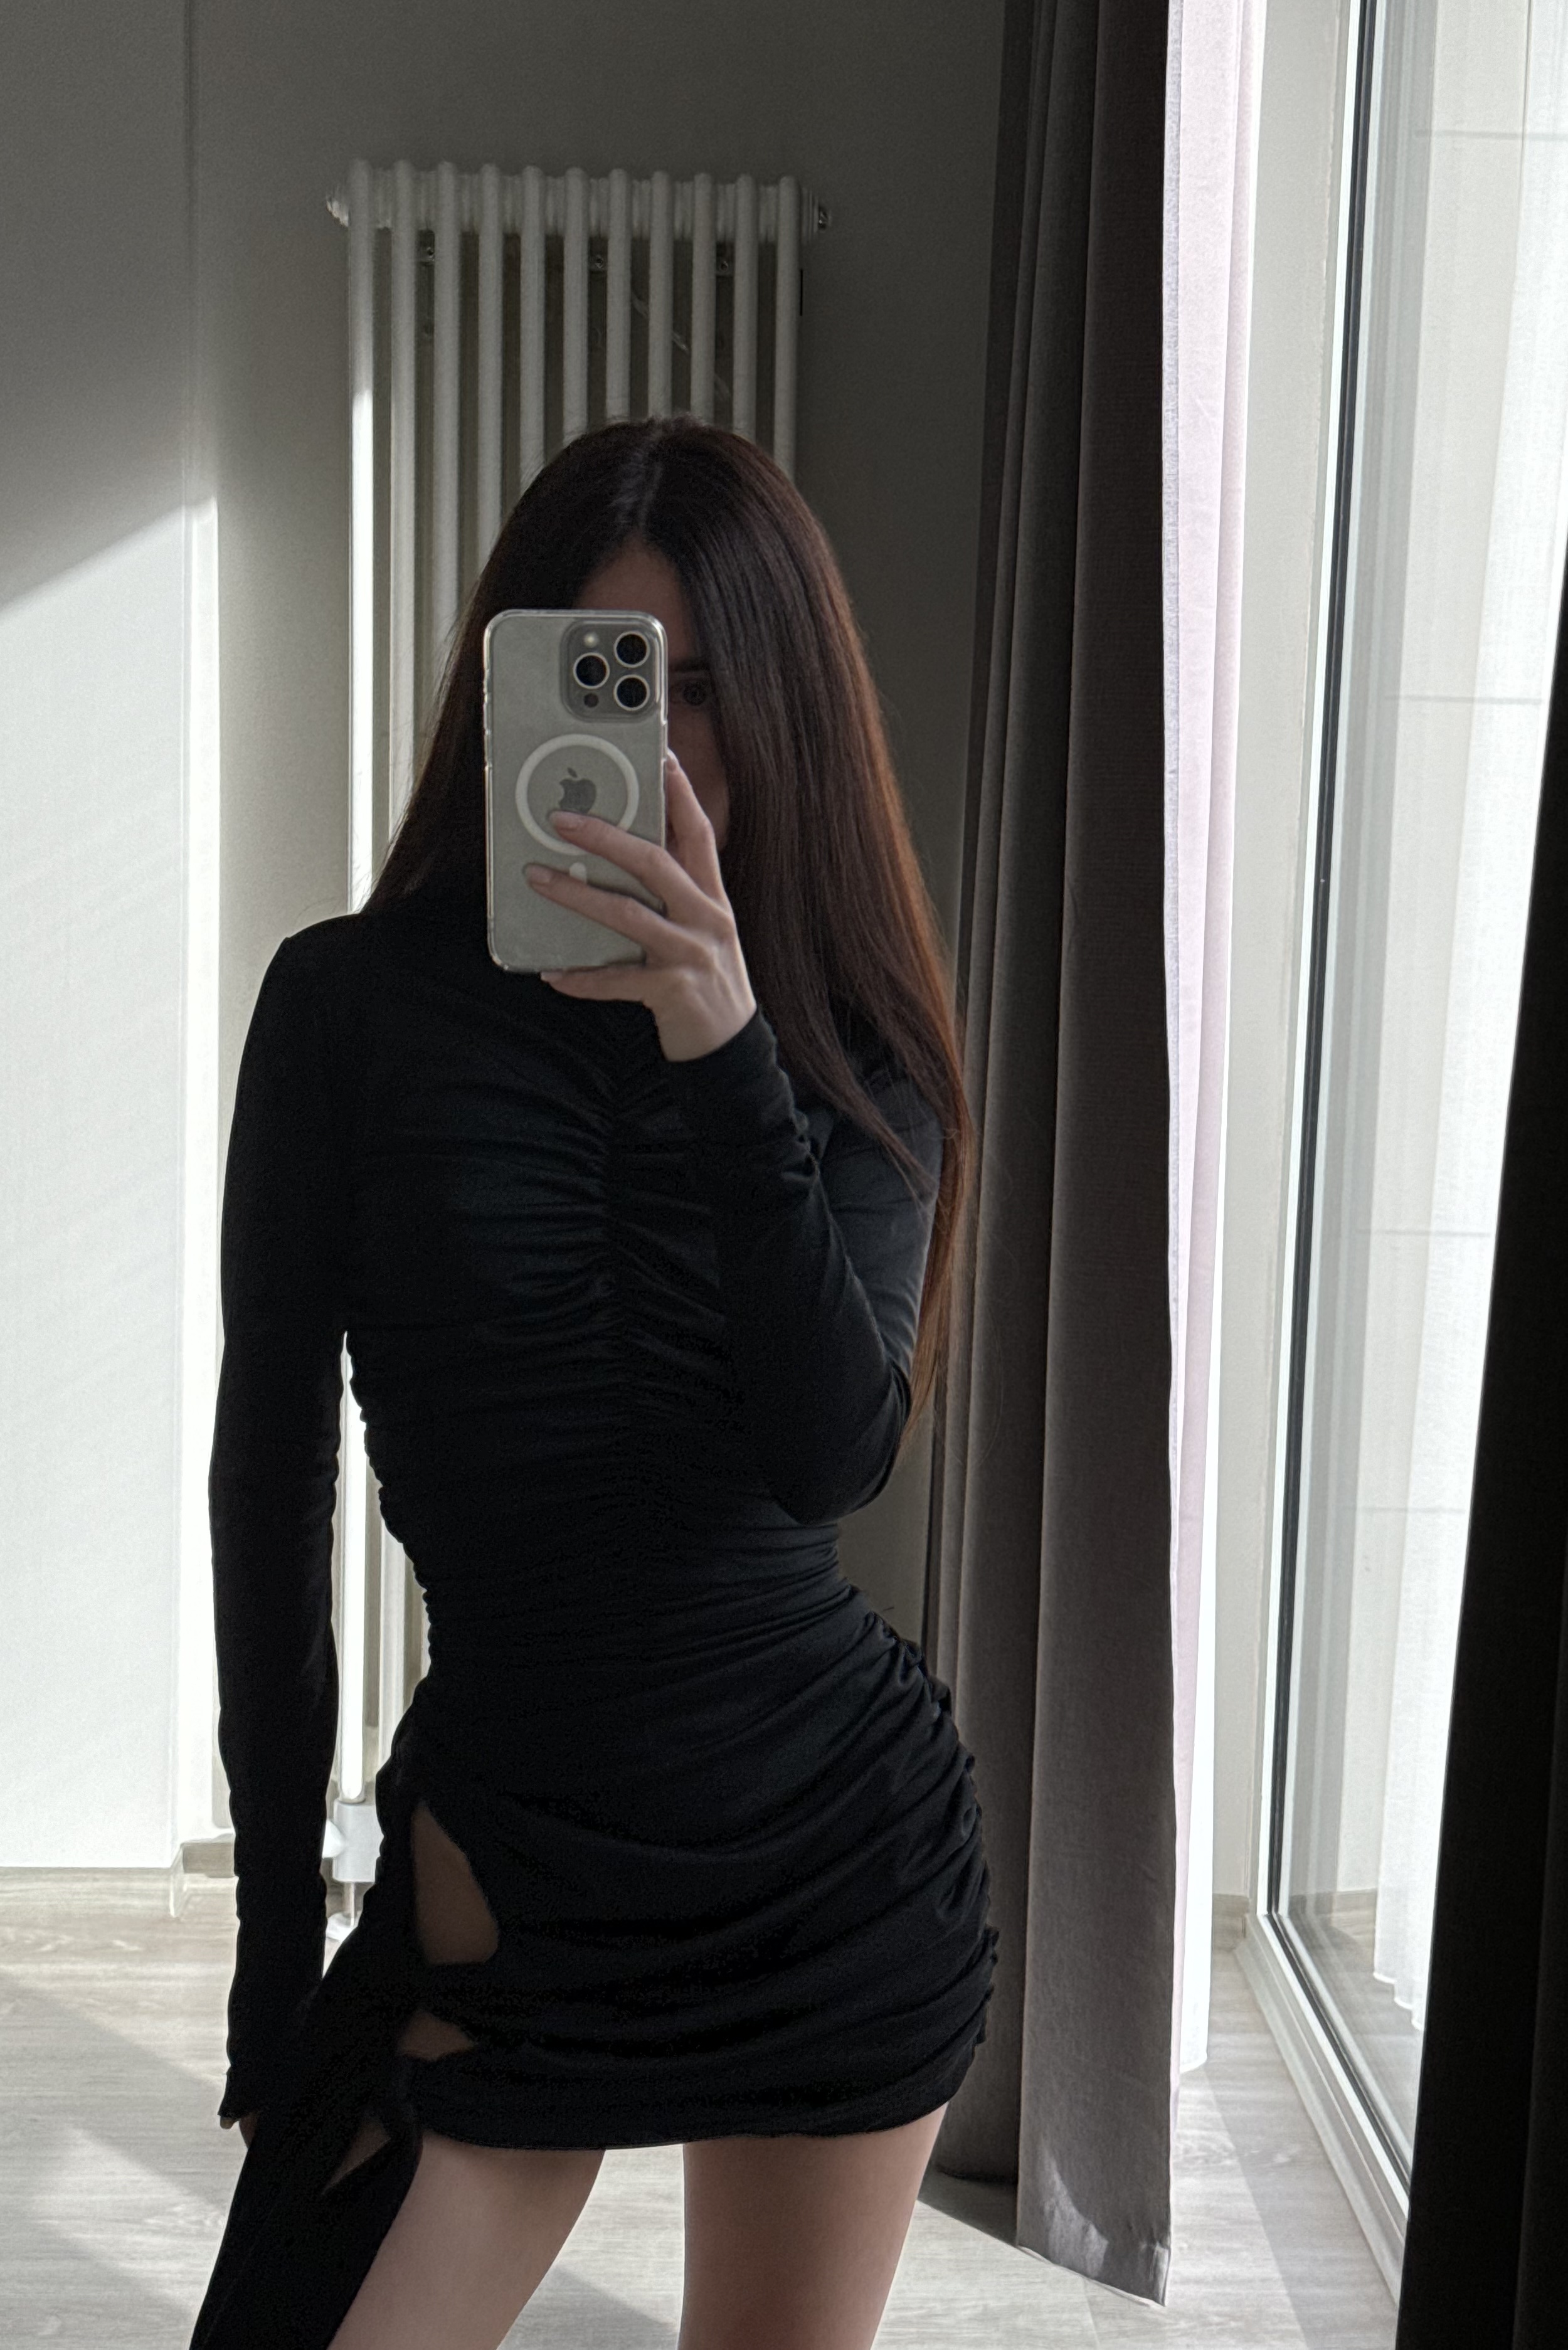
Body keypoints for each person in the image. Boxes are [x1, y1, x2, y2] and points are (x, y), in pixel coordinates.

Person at [190, 415, 999, 2350]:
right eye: (608, 675)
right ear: (511, 692)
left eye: (703, 689)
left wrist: (724, 1047)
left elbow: (832, 1454)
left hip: (834, 1872)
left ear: (786, 710)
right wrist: (275, 1938)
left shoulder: (854, 1043)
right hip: (513, 1882)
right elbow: (268, 1483)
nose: (663, 748)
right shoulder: (345, 1006)